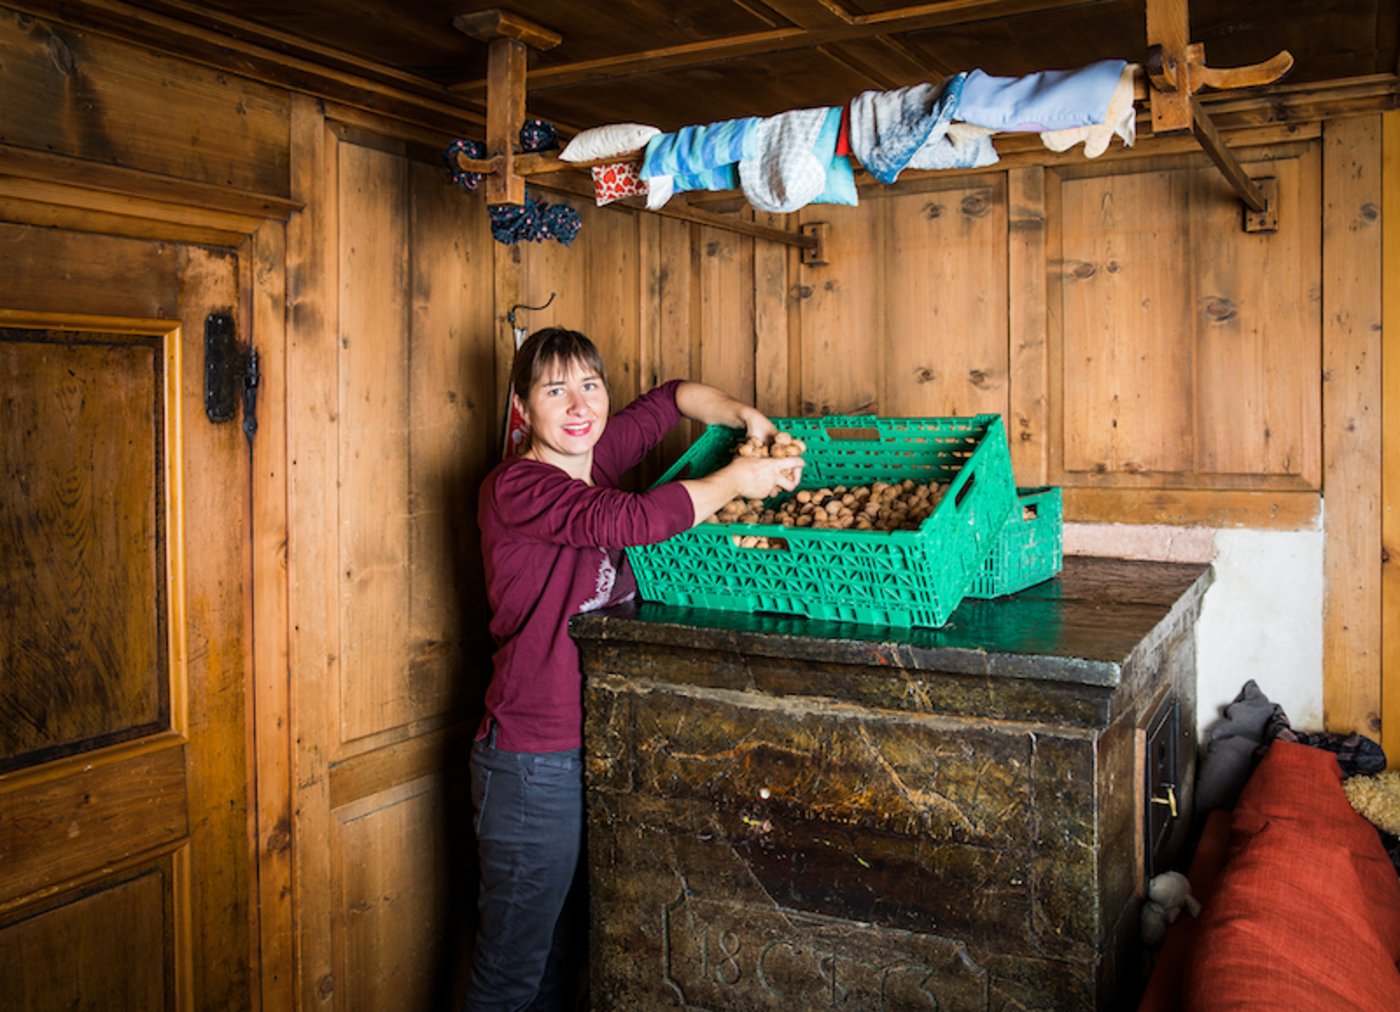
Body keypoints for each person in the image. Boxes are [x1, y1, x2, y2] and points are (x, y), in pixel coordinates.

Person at [465, 326, 803, 1010]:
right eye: (554, 390)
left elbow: (675, 397)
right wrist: (738, 479)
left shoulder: (596, 452)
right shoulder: (517, 486)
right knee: (510, 971)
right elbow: (634, 521)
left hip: (599, 745)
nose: (579, 404)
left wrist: (743, 416)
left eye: (590, 385)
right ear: (523, 410)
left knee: (564, 957)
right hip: (531, 758)